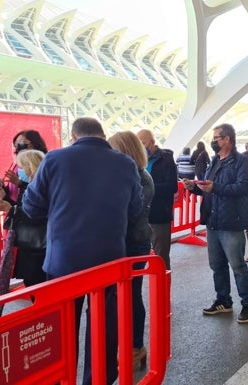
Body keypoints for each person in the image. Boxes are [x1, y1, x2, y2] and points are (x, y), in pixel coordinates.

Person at [22, 117, 143, 385]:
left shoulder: (54, 160)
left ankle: (59, 379)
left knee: (61, 329)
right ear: (102, 134)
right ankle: (98, 380)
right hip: (110, 261)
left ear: (74, 136)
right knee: (104, 329)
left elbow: (31, 207)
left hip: (63, 261)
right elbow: (135, 211)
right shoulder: (126, 164)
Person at [182, 123, 248, 323]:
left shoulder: (241, 161)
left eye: (216, 137)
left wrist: (215, 187)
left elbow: (242, 188)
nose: (213, 141)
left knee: (237, 265)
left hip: (231, 221)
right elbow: (209, 187)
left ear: (227, 139)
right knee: (217, 265)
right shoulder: (214, 160)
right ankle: (223, 300)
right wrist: (195, 188)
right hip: (213, 220)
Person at [108, 131, 154, 370]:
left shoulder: (141, 178)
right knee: (119, 297)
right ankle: (127, 344)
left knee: (131, 296)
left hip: (134, 243)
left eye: (113, 148)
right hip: (123, 242)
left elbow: (129, 212)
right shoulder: (127, 175)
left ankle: (136, 345)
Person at [0, 150, 47, 287]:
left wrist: (9, 209)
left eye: (22, 167)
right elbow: (22, 208)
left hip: (37, 246)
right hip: (29, 245)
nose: (19, 171)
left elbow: (37, 216)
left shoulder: (42, 188)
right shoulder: (31, 186)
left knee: (37, 285)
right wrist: (6, 198)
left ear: (31, 167)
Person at [137, 129, 178, 270]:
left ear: (152, 142)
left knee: (161, 259)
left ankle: (163, 290)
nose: (140, 147)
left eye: (143, 143)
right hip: (140, 216)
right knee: (138, 258)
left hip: (159, 215)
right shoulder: (136, 158)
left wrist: (149, 187)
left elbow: (172, 186)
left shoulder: (166, 159)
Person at [4, 130, 48, 203]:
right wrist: (0, 187)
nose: (19, 146)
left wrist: (20, 184)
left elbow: (40, 193)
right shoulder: (17, 165)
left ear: (35, 143)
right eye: (16, 144)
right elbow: (12, 191)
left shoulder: (44, 163)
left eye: (23, 142)